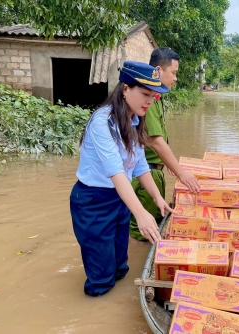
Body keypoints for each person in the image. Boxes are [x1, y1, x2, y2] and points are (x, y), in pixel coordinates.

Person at [70, 61, 175, 296]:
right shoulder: (102, 122)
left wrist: (157, 198)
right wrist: (141, 214)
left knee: (120, 267)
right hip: (94, 201)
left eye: (153, 96)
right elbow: (116, 172)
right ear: (125, 89)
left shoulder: (135, 120)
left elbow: (139, 165)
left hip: (120, 198)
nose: (149, 101)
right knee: (101, 280)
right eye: (145, 94)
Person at [129, 47, 199, 241]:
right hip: (146, 174)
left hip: (153, 170)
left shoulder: (156, 98)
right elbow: (156, 142)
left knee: (149, 224)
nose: (175, 78)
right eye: (174, 73)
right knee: (142, 232)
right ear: (158, 70)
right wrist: (181, 172)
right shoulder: (146, 100)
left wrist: (169, 164)